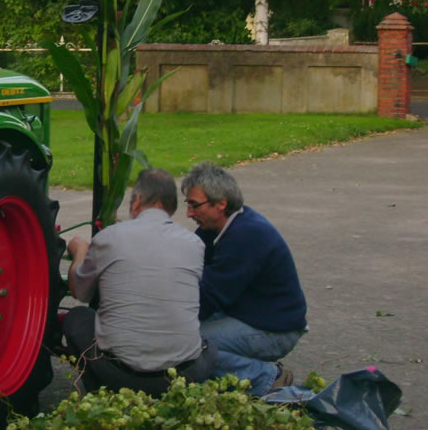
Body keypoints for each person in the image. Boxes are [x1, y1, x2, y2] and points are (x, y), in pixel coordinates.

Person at [62, 168, 218, 397]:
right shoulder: (194, 244)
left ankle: (101, 395)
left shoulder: (109, 238)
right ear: (172, 206)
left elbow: (80, 291)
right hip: (184, 374)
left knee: (76, 318)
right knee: (210, 346)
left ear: (136, 201)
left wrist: (80, 252)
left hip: (121, 375)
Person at [181, 161, 307, 395]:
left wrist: (165, 320)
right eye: (188, 205)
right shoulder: (218, 228)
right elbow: (187, 265)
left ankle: (267, 378)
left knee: (188, 344)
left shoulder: (246, 236)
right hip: (248, 313)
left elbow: (208, 297)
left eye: (195, 205)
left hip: (276, 330)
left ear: (221, 203)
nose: (189, 213)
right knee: (183, 335)